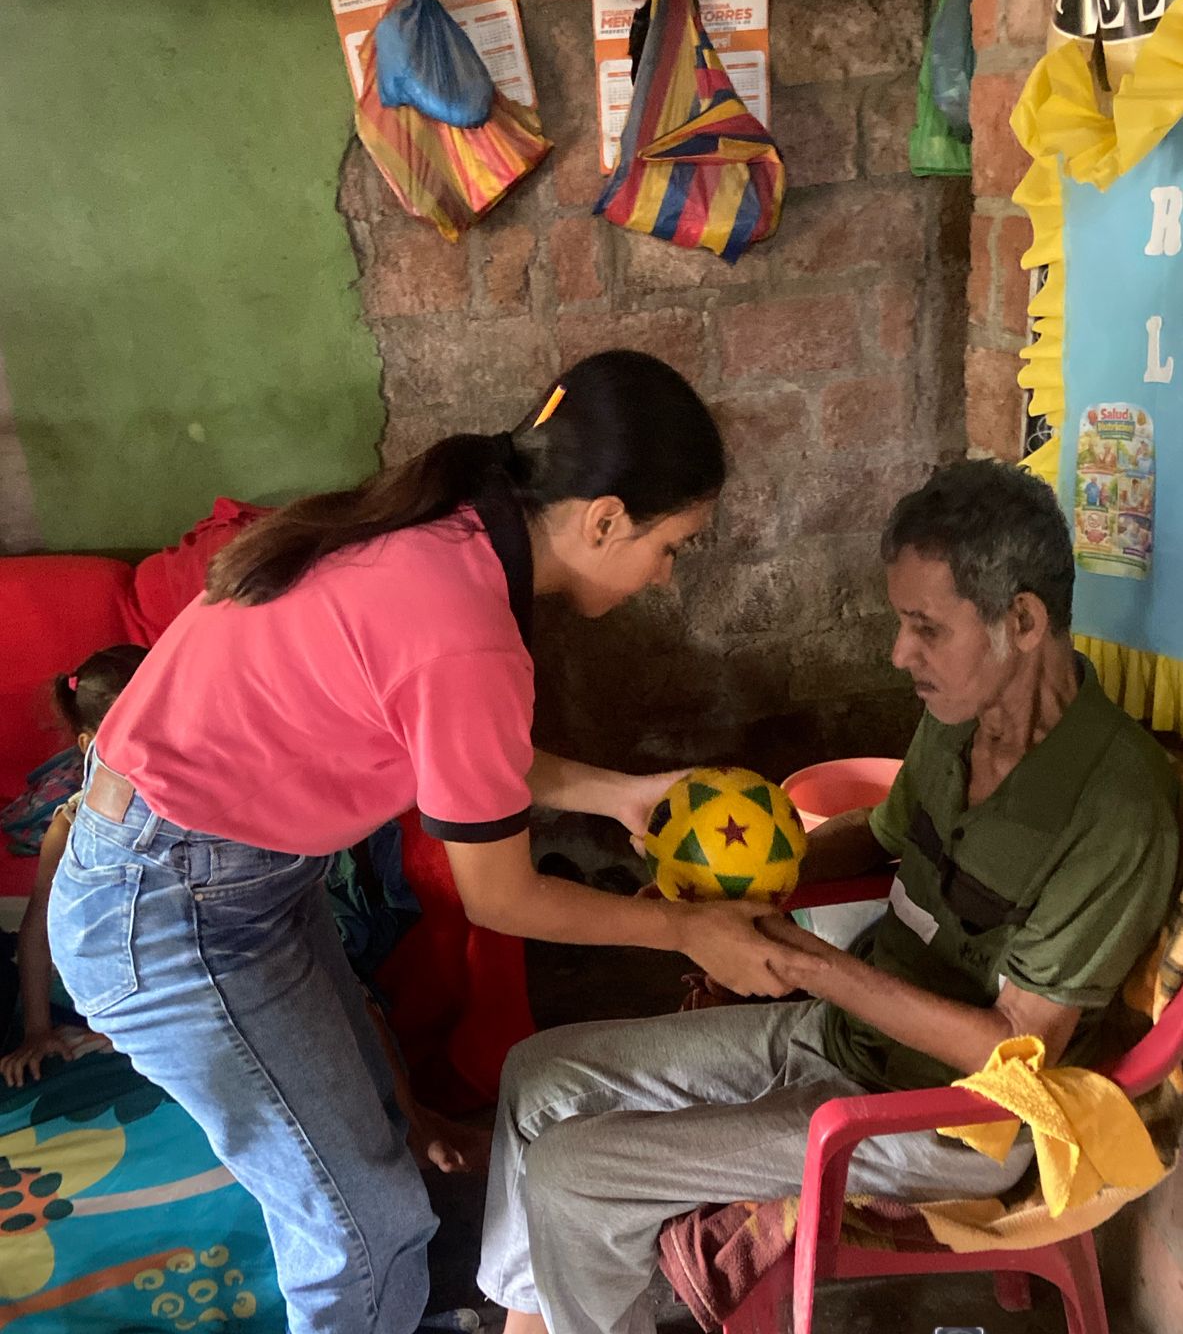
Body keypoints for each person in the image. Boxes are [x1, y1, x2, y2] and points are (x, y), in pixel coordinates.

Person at [47, 349, 801, 1334]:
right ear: (604, 518)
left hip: (210, 874)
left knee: (379, 1151)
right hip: (171, 908)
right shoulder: (466, 624)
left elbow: (453, 746)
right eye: (672, 546)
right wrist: (689, 931)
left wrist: (615, 794)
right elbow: (502, 895)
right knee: (361, 1229)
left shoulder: (444, 536)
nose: (665, 574)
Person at [477, 459, 1180, 1334]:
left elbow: (1011, 1052)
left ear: (1024, 621)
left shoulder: (1116, 810)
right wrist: (729, 880)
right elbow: (881, 836)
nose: (898, 654)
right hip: (846, 1037)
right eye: (899, 622)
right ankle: (537, 1318)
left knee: (574, 1170)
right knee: (536, 1076)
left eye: (925, 628)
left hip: (951, 1122)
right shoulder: (957, 718)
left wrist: (805, 961)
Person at [1, 644, 147, 1088]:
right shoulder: (69, 826)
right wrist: (37, 1030)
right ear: (90, 746)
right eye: (135, 734)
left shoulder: (201, 796)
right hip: (112, 976)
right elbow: (38, 929)